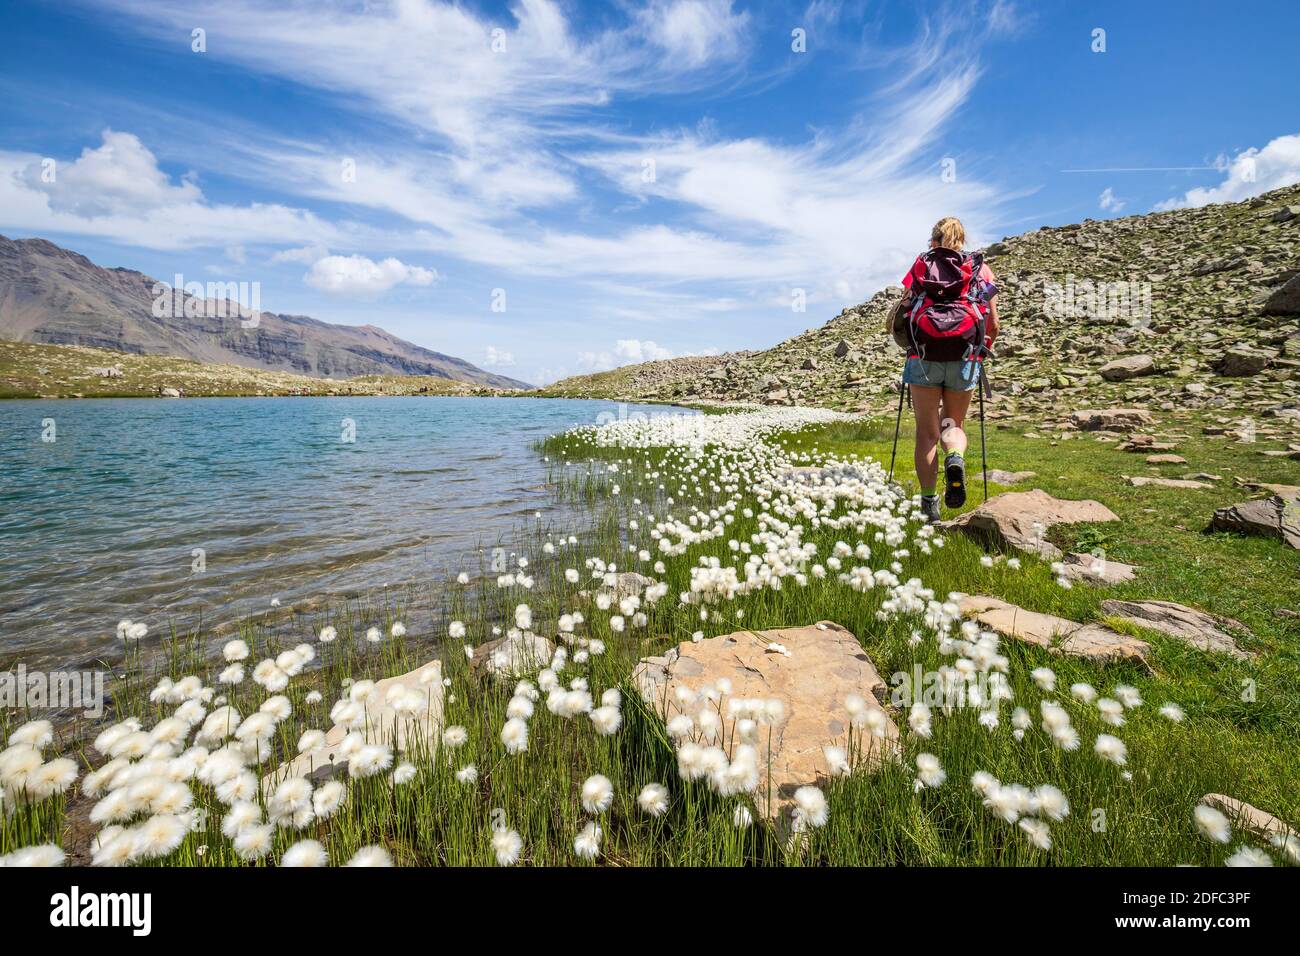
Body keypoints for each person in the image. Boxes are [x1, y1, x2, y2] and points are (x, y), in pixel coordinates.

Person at [899, 217, 999, 523]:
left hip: (923, 358)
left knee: (926, 434)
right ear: (963, 239)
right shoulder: (980, 269)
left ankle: (929, 506)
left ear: (933, 240)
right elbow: (993, 323)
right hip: (966, 358)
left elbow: (903, 313)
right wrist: (984, 349)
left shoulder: (920, 266)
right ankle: (955, 457)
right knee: (952, 424)